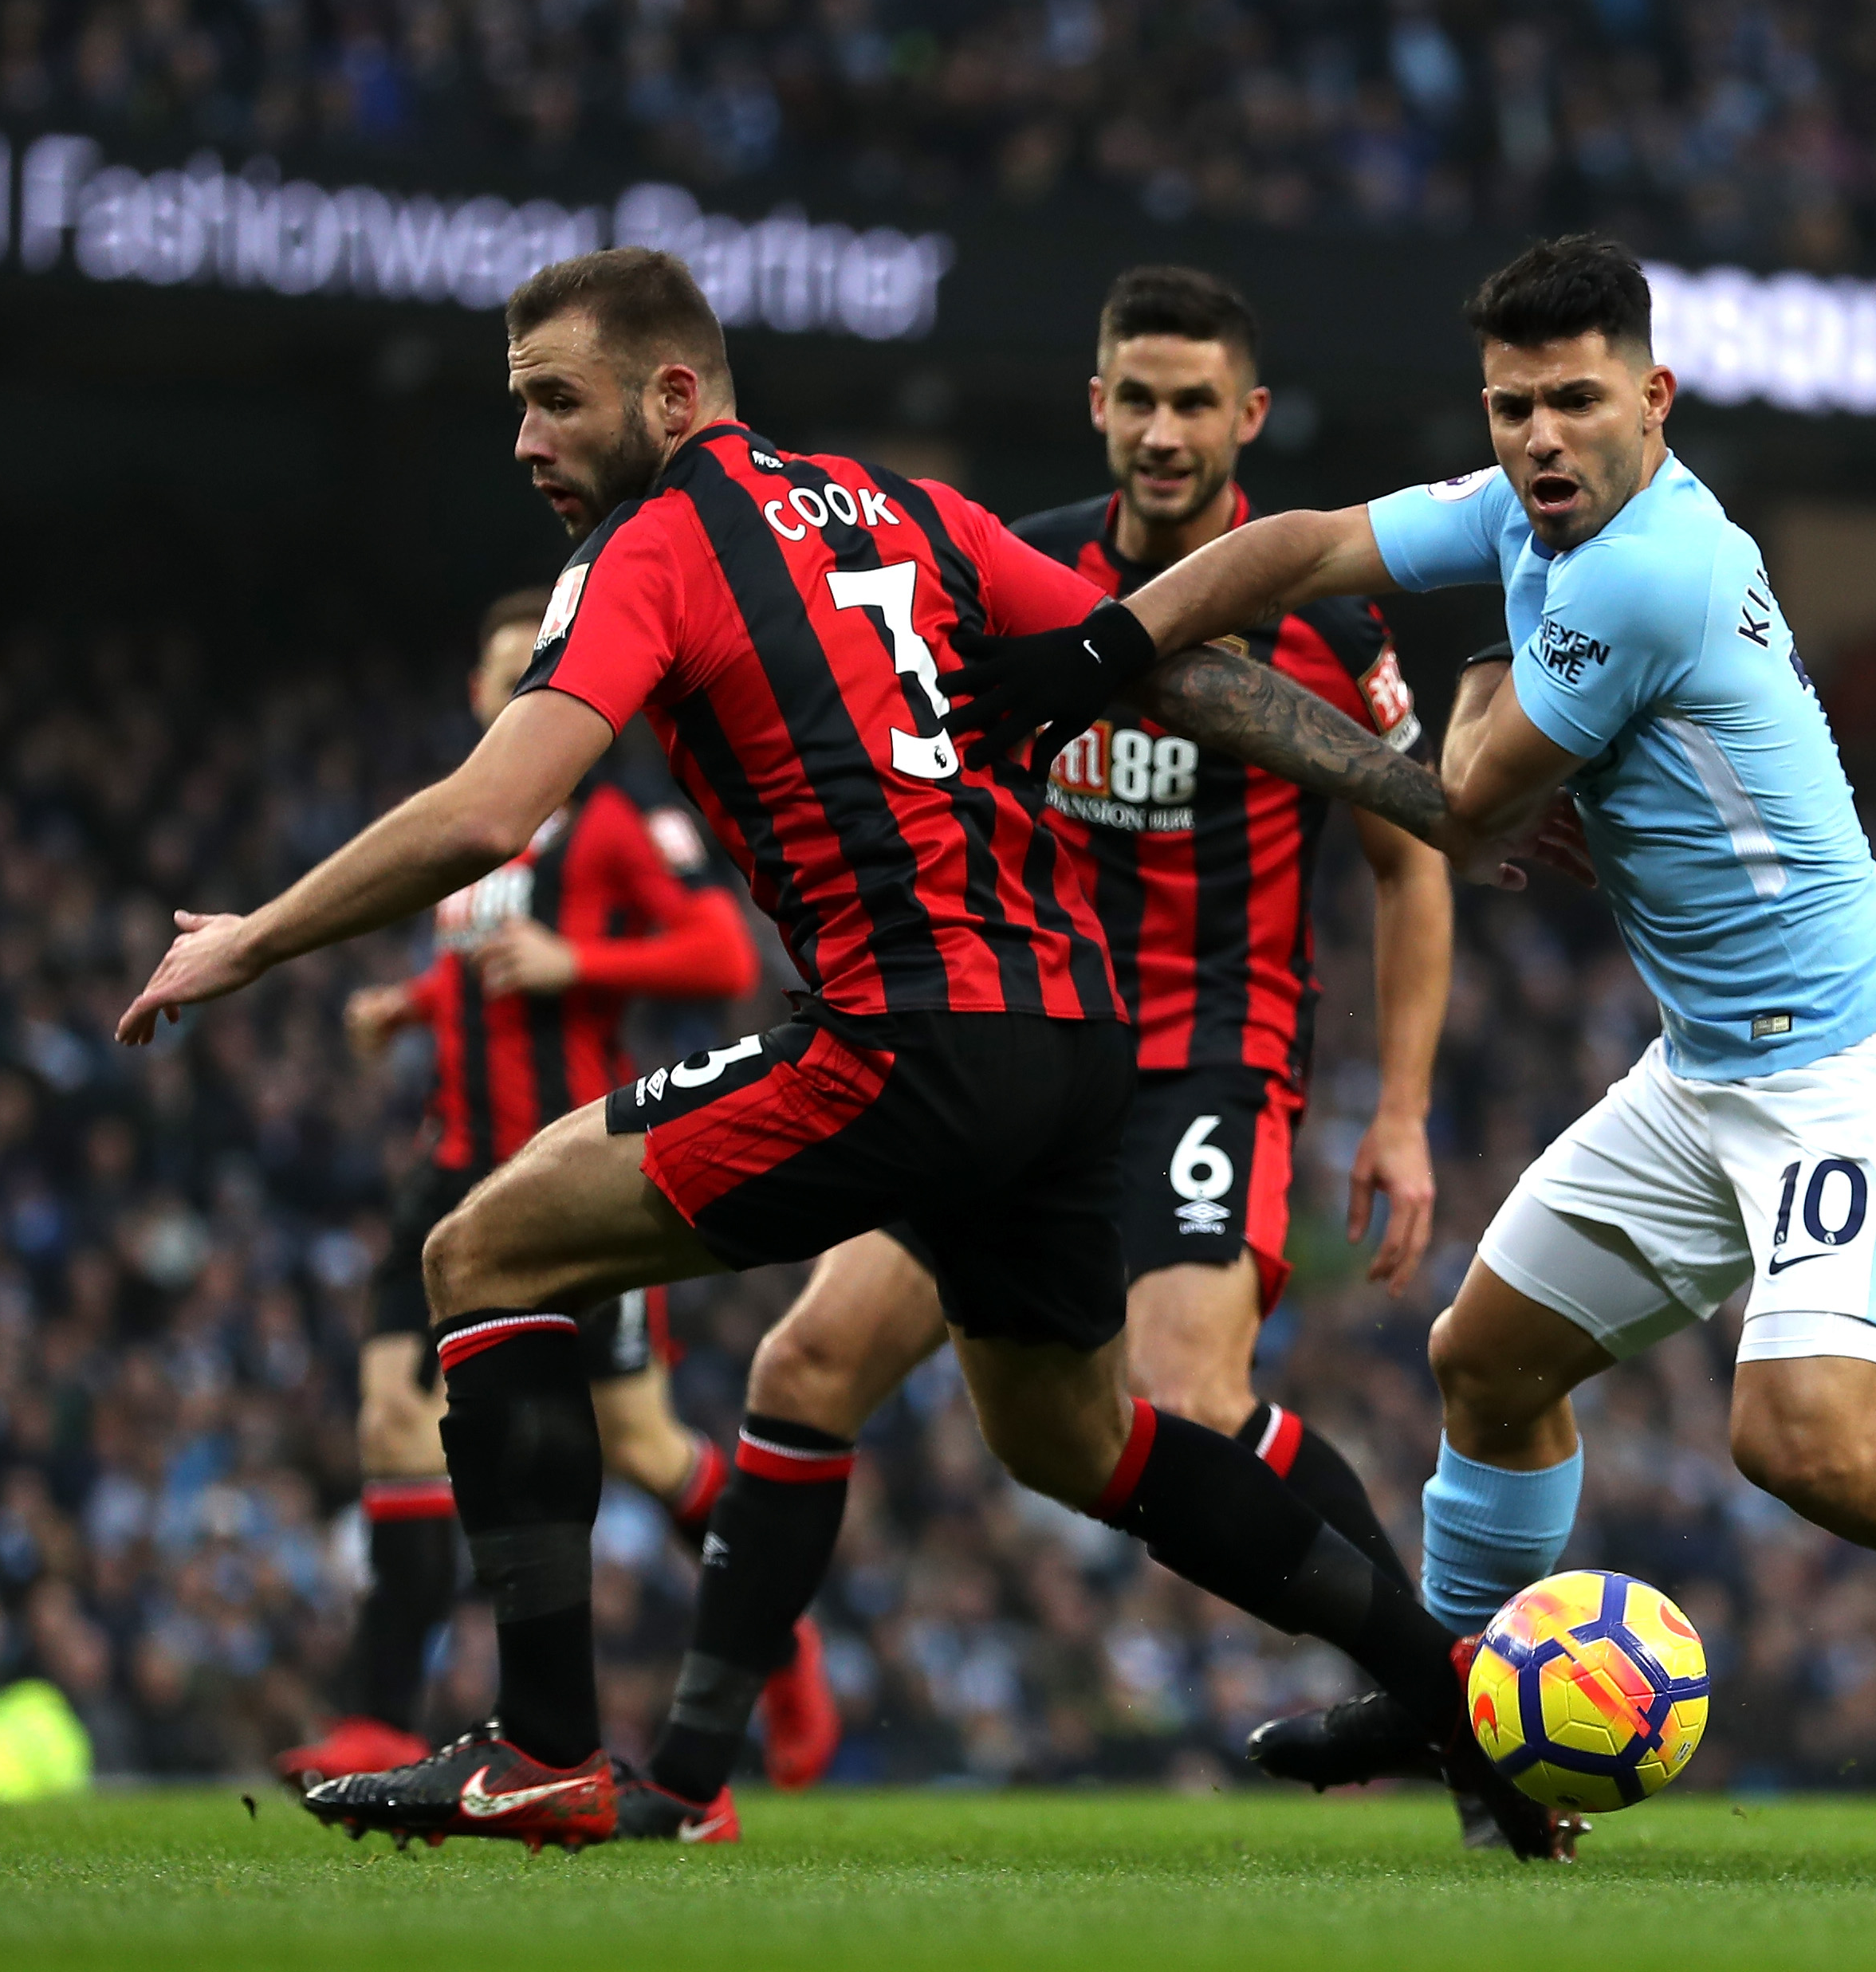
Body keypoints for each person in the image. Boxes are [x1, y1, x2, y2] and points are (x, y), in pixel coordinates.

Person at [115, 246, 1564, 1858]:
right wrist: (1434, 794)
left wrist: (250, 937)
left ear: (674, 394)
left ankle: (541, 1749)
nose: (525, 441)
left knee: (484, 1249)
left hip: (911, 1039)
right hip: (1078, 1040)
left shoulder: (648, 554)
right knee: (1076, 1441)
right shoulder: (909, 509)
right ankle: (1461, 1707)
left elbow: (487, 812)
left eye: (553, 402)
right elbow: (1171, 669)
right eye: (515, 406)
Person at [946, 233, 1876, 1863]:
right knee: (1486, 1363)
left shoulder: (1651, 569)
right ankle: (1465, 1710)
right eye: (1510, 408)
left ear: (1654, 400)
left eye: (1574, 402)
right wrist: (1101, 652)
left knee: (1799, 1440)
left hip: (1852, 1071)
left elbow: (1466, 807)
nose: (1539, 440)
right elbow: (1305, 544)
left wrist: (1357, 695)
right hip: (1704, 1072)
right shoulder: (1525, 515)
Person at [624, 265, 1461, 1828]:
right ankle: (689, 1781)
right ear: (1095, 403)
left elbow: (1409, 865)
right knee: (803, 1364)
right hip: (1021, 1042)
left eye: (1193, 403)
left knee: (1190, 1399)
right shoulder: (1020, 569)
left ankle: (1435, 1703)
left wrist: (1402, 1111)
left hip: (1212, 1052)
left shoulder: (1319, 616)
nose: (1160, 432)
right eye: (1134, 399)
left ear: (1248, 419)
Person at [270, 591, 837, 1827]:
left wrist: (583, 965)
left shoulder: (618, 827)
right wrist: (408, 1008)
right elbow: (482, 966)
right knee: (386, 1417)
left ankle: (778, 1648)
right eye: (492, 672)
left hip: (563, 1177)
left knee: (639, 1446)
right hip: (447, 1164)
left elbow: (723, 958)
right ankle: (377, 1707)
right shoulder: (478, 837)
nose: (504, 689)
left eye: (525, 669)